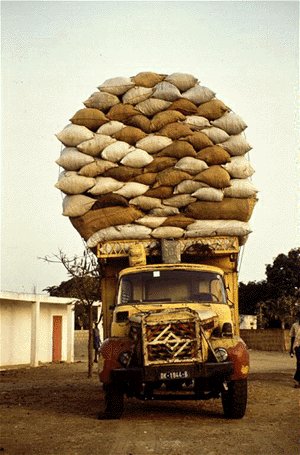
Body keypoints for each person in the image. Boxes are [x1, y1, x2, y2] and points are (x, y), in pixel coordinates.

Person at [289, 312, 300, 388]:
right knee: (299, 362)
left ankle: (297, 379)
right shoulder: (294, 325)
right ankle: (297, 380)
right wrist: (291, 349)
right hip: (297, 346)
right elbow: (292, 337)